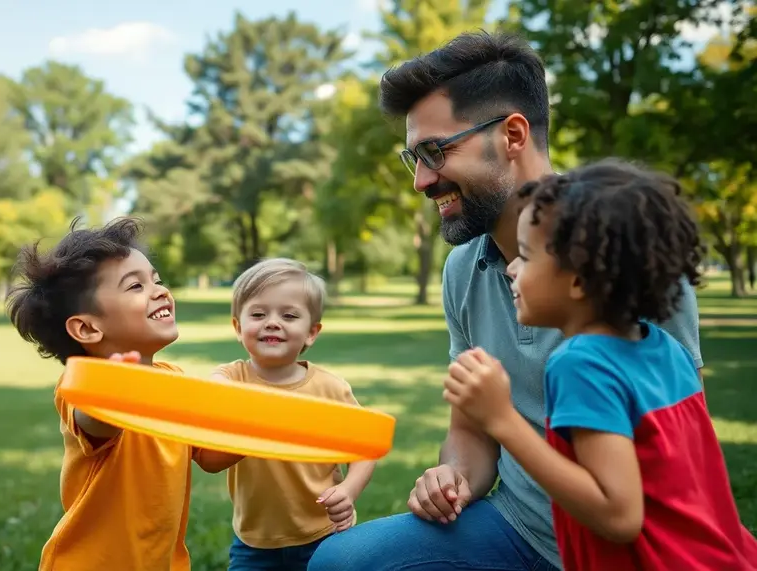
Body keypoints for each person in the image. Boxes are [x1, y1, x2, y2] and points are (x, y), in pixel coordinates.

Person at [307, 31, 703, 571]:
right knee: (341, 562)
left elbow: (681, 454)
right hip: (519, 527)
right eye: (413, 157)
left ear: (513, 135)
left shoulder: (625, 248)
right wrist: (453, 479)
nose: (422, 180)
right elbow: (470, 435)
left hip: (628, 548)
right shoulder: (462, 268)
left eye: (435, 151)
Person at [443, 159, 757, 570]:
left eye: (526, 254)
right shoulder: (662, 349)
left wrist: (502, 419)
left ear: (578, 279)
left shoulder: (580, 365)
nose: (512, 269)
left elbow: (618, 516)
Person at [6, 216, 241, 571]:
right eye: (135, 287)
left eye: (157, 280)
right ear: (86, 327)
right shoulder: (84, 387)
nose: (160, 290)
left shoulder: (174, 382)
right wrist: (120, 388)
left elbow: (211, 457)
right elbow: (98, 422)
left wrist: (255, 418)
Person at [212, 258, 377, 571]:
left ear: (311, 333)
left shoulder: (329, 388)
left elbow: (366, 449)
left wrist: (348, 490)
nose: (272, 322)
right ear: (238, 327)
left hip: (323, 533)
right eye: (258, 314)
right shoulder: (232, 377)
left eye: (288, 315)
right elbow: (213, 389)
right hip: (254, 541)